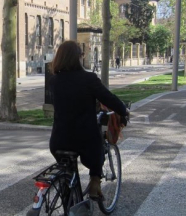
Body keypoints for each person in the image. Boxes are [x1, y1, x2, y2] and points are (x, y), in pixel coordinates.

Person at [49, 40, 128, 199]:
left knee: (67, 176)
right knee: (97, 149)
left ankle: (69, 201)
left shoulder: (55, 80)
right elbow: (108, 98)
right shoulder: (89, 78)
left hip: (58, 140)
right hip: (84, 140)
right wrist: (123, 110)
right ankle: (94, 183)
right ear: (78, 57)